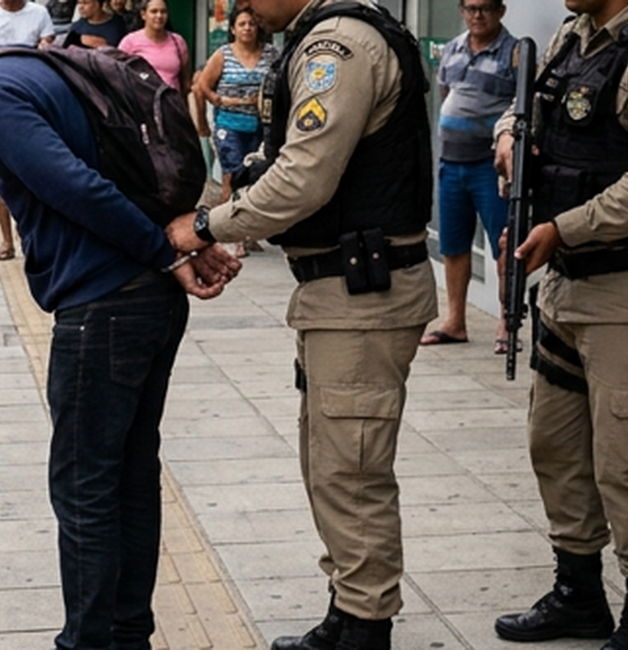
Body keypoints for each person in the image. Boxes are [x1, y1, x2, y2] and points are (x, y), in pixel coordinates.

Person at [0, 26, 241, 650]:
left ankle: (89, 641)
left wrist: (165, 252)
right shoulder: (26, 68)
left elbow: (75, 186)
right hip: (142, 298)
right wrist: (163, 255)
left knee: (84, 485)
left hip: (104, 305)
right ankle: (127, 635)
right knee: (130, 474)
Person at [165, 0, 436, 646]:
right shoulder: (320, 36)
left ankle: (365, 626)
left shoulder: (337, 47)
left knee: (353, 469)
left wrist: (205, 225)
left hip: (362, 291)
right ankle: (349, 610)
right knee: (332, 463)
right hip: (341, 289)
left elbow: (305, 178)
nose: (243, 5)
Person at [490, 1, 628, 648]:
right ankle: (578, 594)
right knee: (556, 446)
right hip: (568, 289)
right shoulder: (573, 37)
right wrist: (507, 136)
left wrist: (563, 229)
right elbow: (526, 107)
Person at [419, 0, 516, 353]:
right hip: (451, 163)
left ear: (501, 11)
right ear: (461, 10)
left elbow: (522, 108)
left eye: (486, 8)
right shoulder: (453, 49)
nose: (478, 15)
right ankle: (455, 321)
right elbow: (447, 95)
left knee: (504, 246)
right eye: (471, 8)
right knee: (453, 245)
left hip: (490, 166)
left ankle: (507, 323)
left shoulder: (514, 53)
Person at [0, 0, 55, 260]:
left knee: (34, 172)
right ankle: (6, 239)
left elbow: (47, 43)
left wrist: (44, 47)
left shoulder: (39, 13)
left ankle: (31, 236)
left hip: (31, 94)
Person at [195, 5, 277, 206]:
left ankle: (250, 219)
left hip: (261, 125)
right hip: (230, 125)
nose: (247, 28)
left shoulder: (271, 53)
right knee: (232, 177)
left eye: (251, 24)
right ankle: (227, 217)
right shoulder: (223, 54)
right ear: (233, 29)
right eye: (242, 24)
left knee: (257, 177)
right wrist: (218, 100)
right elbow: (202, 86)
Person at [117, 0, 189, 94]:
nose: (159, 16)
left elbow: (185, 80)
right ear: (143, 15)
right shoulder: (130, 42)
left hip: (171, 100)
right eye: (154, 11)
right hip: (141, 100)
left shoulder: (178, 41)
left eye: (163, 12)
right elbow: (118, 76)